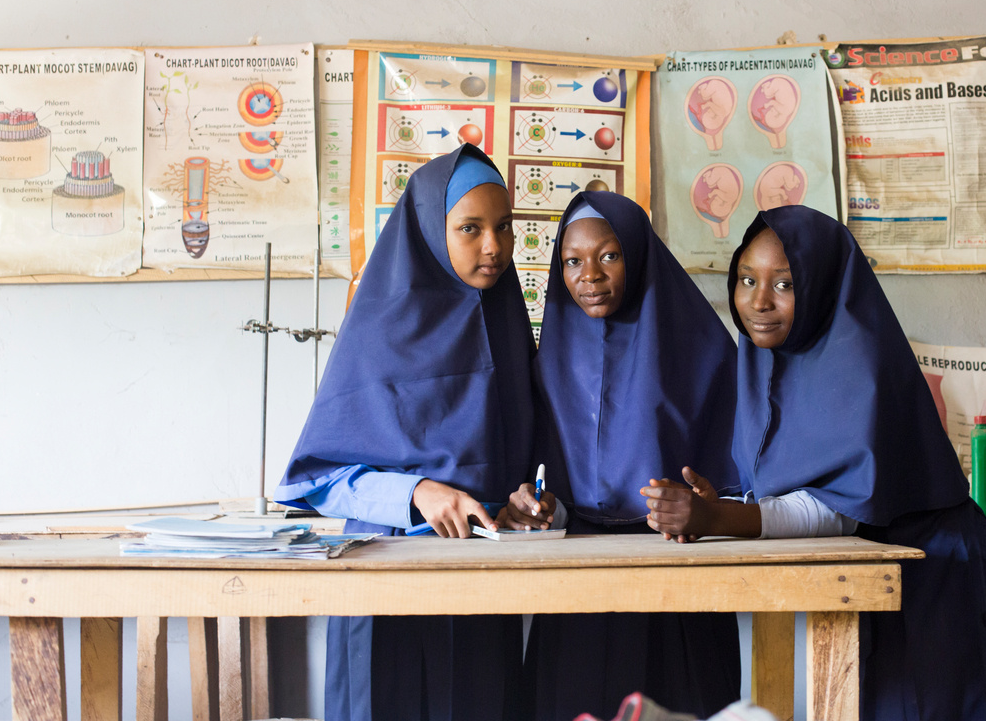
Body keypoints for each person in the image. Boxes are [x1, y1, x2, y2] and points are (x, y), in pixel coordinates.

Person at [643, 205, 986, 721]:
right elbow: (796, 485)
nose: (758, 301)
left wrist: (719, 519)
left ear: (821, 286)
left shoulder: (860, 364)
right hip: (873, 566)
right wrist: (728, 503)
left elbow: (838, 507)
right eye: (746, 279)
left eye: (785, 285)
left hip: (934, 570)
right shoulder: (761, 359)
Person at [275, 143, 549, 721]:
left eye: (504, 227)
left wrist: (527, 503)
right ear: (430, 228)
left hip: (480, 590)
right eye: (470, 228)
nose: (494, 247)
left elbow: (526, 466)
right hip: (385, 582)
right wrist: (415, 492)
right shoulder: (378, 330)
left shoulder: (506, 324)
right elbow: (318, 480)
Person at [511, 191, 742, 721]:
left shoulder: (703, 349)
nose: (589, 275)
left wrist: (700, 504)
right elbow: (555, 484)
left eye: (608, 255)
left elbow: (735, 481)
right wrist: (544, 509)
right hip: (577, 585)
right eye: (572, 261)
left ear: (637, 254)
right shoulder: (549, 358)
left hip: (677, 576)